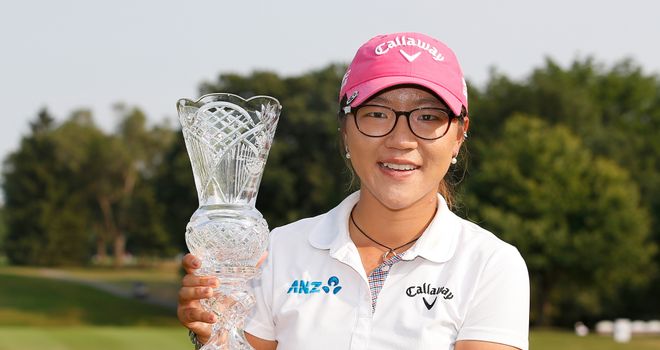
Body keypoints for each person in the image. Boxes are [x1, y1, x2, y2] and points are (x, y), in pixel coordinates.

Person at [177, 32, 530, 350]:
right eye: (376, 114)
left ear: (458, 134)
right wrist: (216, 333)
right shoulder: (277, 252)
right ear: (346, 129)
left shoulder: (491, 265)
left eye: (428, 117)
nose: (401, 140)